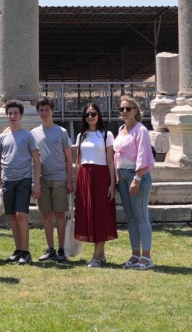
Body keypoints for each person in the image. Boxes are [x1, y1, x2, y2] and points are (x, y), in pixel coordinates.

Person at [72, 103, 118, 266]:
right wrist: (76, 183)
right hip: (85, 176)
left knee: (101, 214)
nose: (90, 117)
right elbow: (78, 161)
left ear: (98, 115)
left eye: (93, 114)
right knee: (89, 214)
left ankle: (96, 257)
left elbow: (110, 160)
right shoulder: (80, 136)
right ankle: (101, 256)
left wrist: (112, 183)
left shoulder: (107, 134)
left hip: (101, 176)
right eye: (87, 115)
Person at [29, 97, 74, 263]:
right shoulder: (34, 133)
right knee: (46, 215)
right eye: (41, 110)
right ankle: (51, 249)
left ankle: (62, 249)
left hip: (60, 178)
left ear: (52, 111)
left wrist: (70, 180)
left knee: (60, 214)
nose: (44, 113)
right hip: (43, 179)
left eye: (47, 109)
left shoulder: (61, 132)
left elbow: (69, 158)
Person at [114, 96, 155, 269]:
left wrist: (137, 178)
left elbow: (143, 154)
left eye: (128, 108)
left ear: (135, 111)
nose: (124, 112)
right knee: (130, 218)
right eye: (121, 109)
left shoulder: (141, 130)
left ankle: (147, 257)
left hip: (136, 176)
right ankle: (135, 254)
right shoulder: (121, 129)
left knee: (141, 216)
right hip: (122, 176)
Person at [0, 100, 36, 264]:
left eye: (15, 113)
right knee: (12, 216)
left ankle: (26, 252)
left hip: (23, 179)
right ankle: (18, 250)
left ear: (21, 115)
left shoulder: (27, 135)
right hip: (7, 181)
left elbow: (36, 159)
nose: (12, 116)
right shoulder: (2, 137)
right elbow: (0, 160)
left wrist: (36, 182)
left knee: (21, 215)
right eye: (10, 113)